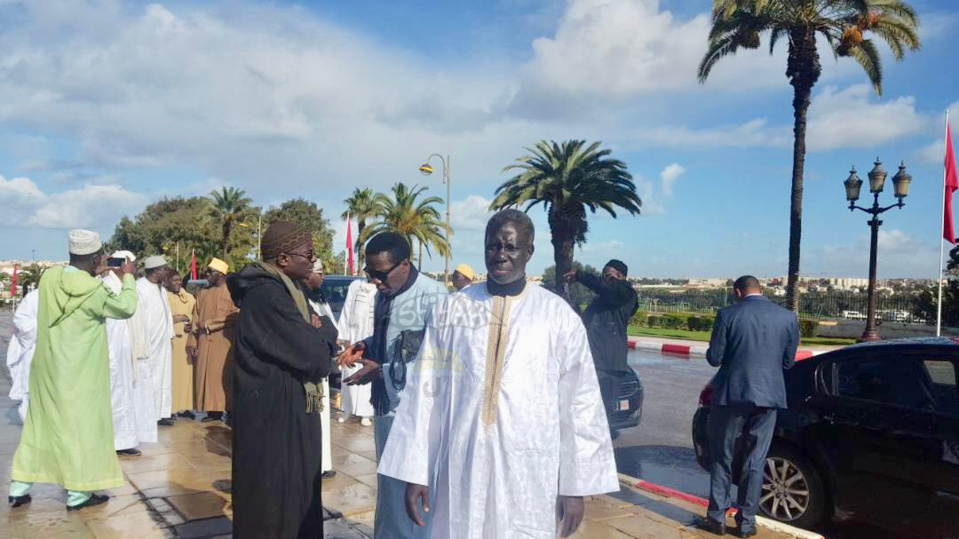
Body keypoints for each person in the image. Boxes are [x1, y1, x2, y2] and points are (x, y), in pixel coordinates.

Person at [377, 210, 619, 538]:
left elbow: (580, 404)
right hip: (462, 466)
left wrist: (574, 485)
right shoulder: (453, 310)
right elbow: (425, 393)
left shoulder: (557, 317)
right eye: (493, 246)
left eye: (511, 247)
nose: (500, 254)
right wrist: (416, 470)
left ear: (529, 252)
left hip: (529, 470)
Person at [8, 230, 138, 510]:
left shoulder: (50, 277)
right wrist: (127, 276)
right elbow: (126, 308)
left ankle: (19, 486)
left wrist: (91, 270)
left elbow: (71, 280)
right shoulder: (93, 290)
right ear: (95, 259)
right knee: (83, 430)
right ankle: (79, 494)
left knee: (39, 426)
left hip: (47, 367)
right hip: (81, 372)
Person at [227, 221, 338, 539]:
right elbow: (316, 359)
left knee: (297, 500)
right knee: (275, 505)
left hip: (288, 414)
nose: (313, 261)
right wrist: (319, 334)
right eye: (309, 254)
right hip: (273, 423)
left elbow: (326, 332)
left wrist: (321, 333)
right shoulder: (268, 296)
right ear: (283, 258)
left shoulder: (291, 290)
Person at [337, 231, 446, 539]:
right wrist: (365, 345)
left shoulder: (434, 297)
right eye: (369, 274)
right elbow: (395, 340)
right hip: (387, 409)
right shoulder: (385, 293)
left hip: (417, 417)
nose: (374, 282)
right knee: (390, 491)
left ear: (405, 265)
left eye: (380, 274)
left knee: (413, 495)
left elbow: (438, 363)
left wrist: (381, 371)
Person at [699, 275, 800, 538]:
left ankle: (717, 518)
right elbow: (788, 362)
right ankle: (746, 523)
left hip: (731, 396)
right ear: (761, 289)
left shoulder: (727, 314)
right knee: (756, 459)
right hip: (769, 397)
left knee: (722, 457)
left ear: (737, 292)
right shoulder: (787, 318)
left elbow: (715, 358)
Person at [565, 260, 638, 434]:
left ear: (619, 276)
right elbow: (586, 324)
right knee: (583, 411)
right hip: (592, 361)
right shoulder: (603, 301)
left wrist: (580, 276)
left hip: (609, 365)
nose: (603, 280)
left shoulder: (626, 293)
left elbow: (608, 290)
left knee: (600, 416)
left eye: (607, 275)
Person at [103, 250, 157, 456]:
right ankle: (114, 442)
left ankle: (123, 441)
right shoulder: (108, 285)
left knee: (126, 396)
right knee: (115, 396)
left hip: (126, 353)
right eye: (132, 265)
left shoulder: (126, 285)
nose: (134, 269)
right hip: (112, 353)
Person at [188, 258, 238, 423]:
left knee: (223, 377)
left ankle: (230, 411)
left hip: (223, 342)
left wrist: (210, 324)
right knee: (206, 377)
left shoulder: (231, 292)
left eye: (211, 272)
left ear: (221, 274)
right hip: (203, 341)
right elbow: (196, 317)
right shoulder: (203, 293)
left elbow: (235, 315)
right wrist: (193, 342)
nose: (207, 274)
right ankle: (213, 412)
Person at [304, 259, 338, 480]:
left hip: (323, 363)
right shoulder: (301, 298)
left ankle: (324, 464)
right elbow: (317, 328)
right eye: (320, 273)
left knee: (323, 418)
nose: (323, 277)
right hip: (311, 367)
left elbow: (329, 327)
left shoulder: (319, 296)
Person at [137, 255, 175, 426]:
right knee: (149, 377)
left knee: (163, 376)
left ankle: (162, 412)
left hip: (162, 343)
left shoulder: (162, 289)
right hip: (148, 343)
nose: (167, 272)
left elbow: (167, 314)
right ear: (156, 271)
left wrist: (170, 335)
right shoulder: (140, 288)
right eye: (165, 269)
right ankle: (149, 414)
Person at [336, 277, 376, 427]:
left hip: (370, 338)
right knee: (349, 373)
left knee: (367, 373)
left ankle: (366, 413)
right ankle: (347, 409)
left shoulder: (381, 287)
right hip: (353, 336)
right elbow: (347, 310)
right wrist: (345, 338)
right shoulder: (356, 285)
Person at [6, 288, 39, 423]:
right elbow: (20, 319)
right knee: (31, 389)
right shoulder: (35, 296)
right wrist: (44, 327)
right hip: (35, 349)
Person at [167, 270, 197, 418]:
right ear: (167, 281)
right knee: (172, 376)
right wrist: (178, 324)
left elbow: (195, 314)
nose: (178, 283)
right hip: (171, 342)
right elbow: (161, 320)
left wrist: (182, 318)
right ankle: (171, 409)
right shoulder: (163, 297)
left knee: (187, 375)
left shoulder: (189, 297)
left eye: (179, 280)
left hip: (186, 342)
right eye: (174, 280)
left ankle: (186, 407)